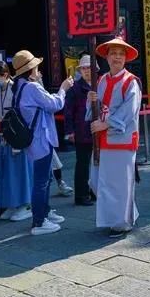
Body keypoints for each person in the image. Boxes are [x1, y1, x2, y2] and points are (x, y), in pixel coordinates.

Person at [10, 49, 73, 236]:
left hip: (34, 140)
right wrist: (63, 88)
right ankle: (39, 221)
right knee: (41, 181)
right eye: (36, 67)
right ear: (31, 70)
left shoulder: (20, 87)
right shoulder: (31, 88)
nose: (38, 69)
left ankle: (44, 212)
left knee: (44, 178)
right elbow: (55, 104)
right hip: (41, 138)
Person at [87, 37, 141, 237]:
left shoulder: (131, 82)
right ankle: (123, 215)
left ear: (125, 58)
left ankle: (121, 223)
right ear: (107, 57)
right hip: (102, 140)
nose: (117, 57)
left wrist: (106, 123)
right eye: (113, 54)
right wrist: (91, 100)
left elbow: (130, 110)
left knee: (120, 184)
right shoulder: (101, 80)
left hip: (121, 140)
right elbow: (96, 107)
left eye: (120, 54)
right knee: (97, 180)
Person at [0, 61, 33, 221]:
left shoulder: (16, 89)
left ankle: (25, 204)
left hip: (16, 135)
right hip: (4, 135)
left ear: (5, 74)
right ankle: (11, 203)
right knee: (6, 172)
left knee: (20, 171)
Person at [64, 55, 95, 206]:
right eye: (84, 68)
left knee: (97, 164)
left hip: (98, 130)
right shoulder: (75, 88)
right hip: (82, 131)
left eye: (89, 68)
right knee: (82, 163)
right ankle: (81, 195)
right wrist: (69, 131)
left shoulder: (100, 84)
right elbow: (68, 111)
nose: (87, 71)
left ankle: (94, 191)